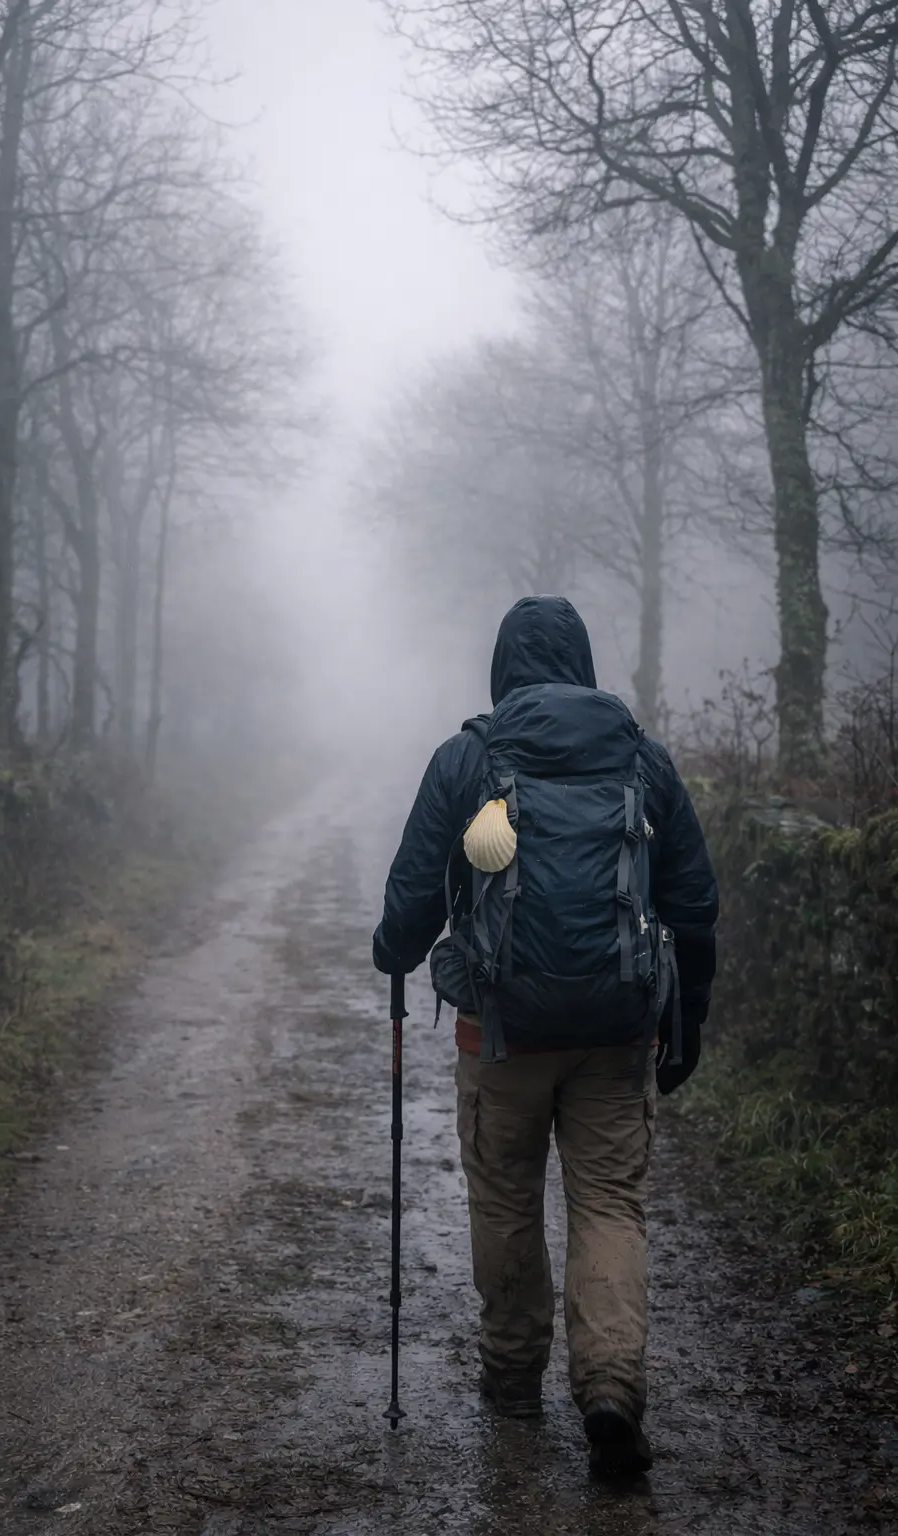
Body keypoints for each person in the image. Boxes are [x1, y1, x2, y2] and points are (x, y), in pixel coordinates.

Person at [372, 595, 718, 1478]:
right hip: (617, 1031)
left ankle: (514, 1381)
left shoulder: (468, 758)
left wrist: (393, 954)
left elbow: (414, 893)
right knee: (608, 1202)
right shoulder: (645, 760)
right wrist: (689, 1026)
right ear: (585, 663)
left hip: (501, 1032)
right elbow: (693, 902)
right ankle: (609, 1389)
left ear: (503, 666)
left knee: (506, 1199)